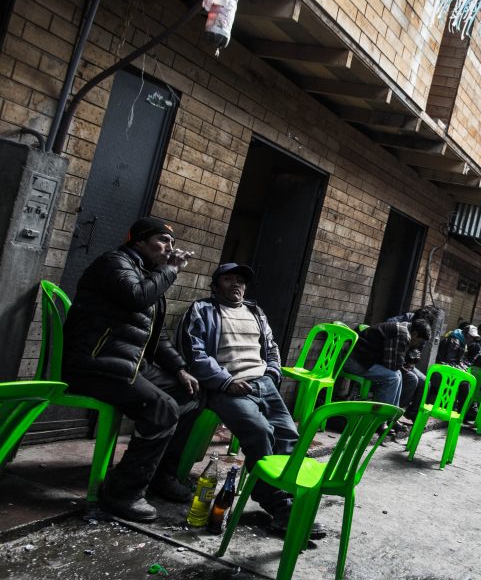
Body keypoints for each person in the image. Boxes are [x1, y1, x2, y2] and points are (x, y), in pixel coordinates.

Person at [62, 216, 202, 522]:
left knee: (189, 394)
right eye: (163, 240)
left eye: (173, 244)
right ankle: (121, 493)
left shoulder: (149, 274)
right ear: (139, 240)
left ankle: (160, 475)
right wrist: (172, 269)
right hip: (94, 363)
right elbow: (136, 297)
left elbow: (158, 335)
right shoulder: (115, 262)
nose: (169, 248)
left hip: (127, 363)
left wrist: (179, 369)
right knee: (162, 407)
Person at [175, 263, 324, 539]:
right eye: (229, 279)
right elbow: (193, 352)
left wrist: (273, 372)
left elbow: (271, 347)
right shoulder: (203, 310)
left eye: (240, 280)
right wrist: (226, 381)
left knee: (289, 435)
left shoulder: (256, 312)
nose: (236, 284)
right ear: (215, 285)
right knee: (260, 432)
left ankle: (289, 499)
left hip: (263, 383)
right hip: (225, 386)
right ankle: (276, 504)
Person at [345, 319, 432, 407]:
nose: (418, 345)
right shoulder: (402, 334)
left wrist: (406, 363)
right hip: (353, 361)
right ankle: (380, 416)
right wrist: (408, 362)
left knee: (401, 375)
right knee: (392, 378)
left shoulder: (405, 329)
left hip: (367, 361)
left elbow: (396, 364)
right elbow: (393, 365)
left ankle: (391, 415)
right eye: (419, 342)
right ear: (415, 334)